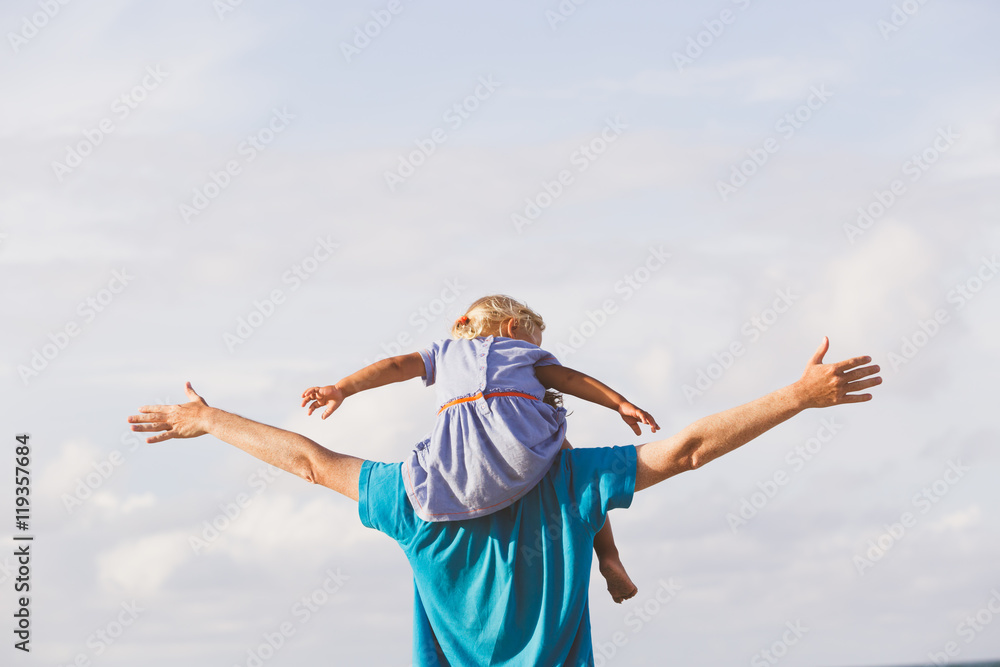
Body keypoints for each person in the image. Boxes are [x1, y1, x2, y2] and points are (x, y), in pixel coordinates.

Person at [127, 336, 881, 666]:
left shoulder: (412, 498)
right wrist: (796, 395)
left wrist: (208, 419)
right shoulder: (570, 479)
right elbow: (685, 450)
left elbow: (311, 461)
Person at [299, 295, 657, 602]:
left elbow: (394, 366)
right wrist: (618, 402)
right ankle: (608, 555)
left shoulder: (442, 353)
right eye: (537, 340)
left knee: (433, 471)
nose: (539, 348)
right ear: (512, 327)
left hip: (461, 459)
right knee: (577, 473)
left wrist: (342, 388)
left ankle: (600, 557)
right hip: (526, 446)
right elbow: (570, 379)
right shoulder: (524, 354)